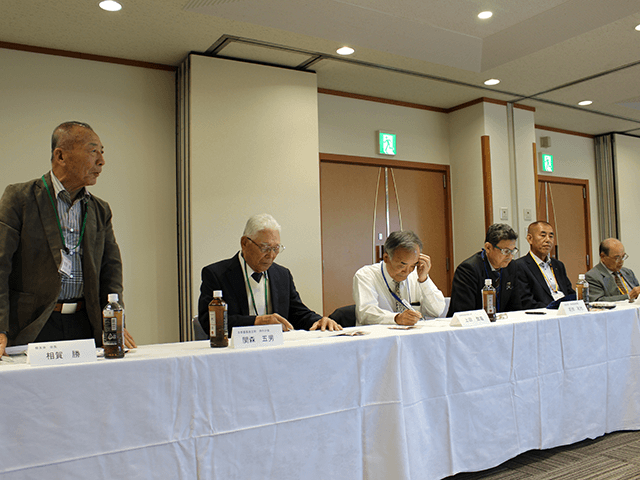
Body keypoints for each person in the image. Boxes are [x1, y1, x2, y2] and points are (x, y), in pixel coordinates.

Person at [0, 121, 136, 357]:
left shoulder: (99, 210)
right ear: (60, 156)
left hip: (85, 323)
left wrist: (115, 322)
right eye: (93, 151)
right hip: (33, 325)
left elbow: (111, 271)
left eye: (102, 152)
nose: (101, 161)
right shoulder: (20, 199)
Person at [198, 213, 342, 334]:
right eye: (265, 248)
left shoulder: (282, 275)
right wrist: (256, 321)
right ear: (245, 243)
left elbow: (297, 313)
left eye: (276, 248)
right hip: (235, 350)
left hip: (276, 349)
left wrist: (319, 320)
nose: (271, 255)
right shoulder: (216, 274)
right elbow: (209, 322)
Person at [352, 230, 445, 325]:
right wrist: (396, 318)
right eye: (402, 265)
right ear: (386, 258)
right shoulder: (366, 275)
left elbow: (438, 311)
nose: (407, 271)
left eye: (413, 265)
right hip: (377, 333)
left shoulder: (417, 275)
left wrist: (424, 280)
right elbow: (366, 313)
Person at [447, 223, 521, 316]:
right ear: (488, 247)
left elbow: (516, 307)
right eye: (505, 251)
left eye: (513, 251)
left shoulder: (512, 267)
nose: (510, 256)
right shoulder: (468, 270)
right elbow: (464, 312)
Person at [515, 221, 574, 308]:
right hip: (544, 312)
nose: (548, 240)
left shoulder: (558, 265)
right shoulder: (520, 266)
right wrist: (554, 309)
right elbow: (527, 302)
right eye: (543, 235)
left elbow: (569, 293)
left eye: (551, 236)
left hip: (565, 310)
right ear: (530, 239)